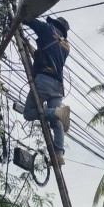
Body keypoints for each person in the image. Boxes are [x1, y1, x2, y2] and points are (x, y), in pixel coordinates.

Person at [23, 15, 71, 165]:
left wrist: (21, 13)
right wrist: (28, 46)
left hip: (44, 80)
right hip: (58, 86)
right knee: (57, 122)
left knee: (28, 113)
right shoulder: (65, 46)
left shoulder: (47, 29)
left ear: (53, 24)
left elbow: (28, 19)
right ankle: (58, 153)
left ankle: (55, 112)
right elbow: (41, 55)